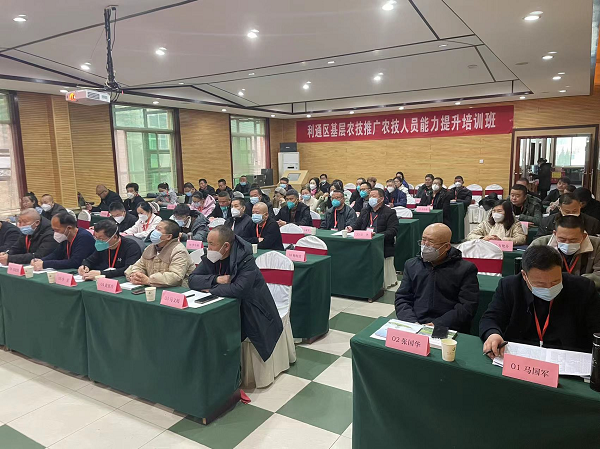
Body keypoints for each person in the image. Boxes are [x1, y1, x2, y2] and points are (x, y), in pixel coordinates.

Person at [480, 245, 600, 356]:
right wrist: (493, 334)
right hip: (522, 352)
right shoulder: (510, 286)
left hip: (567, 353)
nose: (549, 288)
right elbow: (491, 318)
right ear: (524, 276)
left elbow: (596, 328)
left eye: (555, 282)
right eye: (540, 284)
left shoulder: (583, 288)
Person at [188, 226, 284, 361]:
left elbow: (239, 289)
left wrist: (210, 289)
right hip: (222, 305)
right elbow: (192, 280)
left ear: (226, 246)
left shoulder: (245, 258)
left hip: (252, 308)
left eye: (211, 244)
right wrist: (216, 279)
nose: (208, 248)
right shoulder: (212, 256)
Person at [395, 223, 479, 333]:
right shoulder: (411, 265)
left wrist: (437, 324)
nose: (425, 245)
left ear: (446, 247)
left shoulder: (465, 269)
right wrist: (412, 322)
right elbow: (402, 297)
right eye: (423, 240)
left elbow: (467, 306)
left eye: (431, 242)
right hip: (415, 324)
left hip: (448, 326)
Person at [531, 215, 600, 288]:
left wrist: (572, 282)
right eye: (562, 239)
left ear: (584, 236)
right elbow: (530, 272)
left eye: (573, 240)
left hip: (585, 289)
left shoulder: (597, 245)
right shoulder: (539, 244)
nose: (567, 243)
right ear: (555, 233)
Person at [349, 188, 399, 287]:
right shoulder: (365, 210)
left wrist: (378, 236)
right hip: (364, 241)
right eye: (370, 196)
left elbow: (393, 230)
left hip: (382, 243)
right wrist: (351, 228)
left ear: (381, 199)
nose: (371, 198)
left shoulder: (390, 212)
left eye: (374, 196)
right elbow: (358, 224)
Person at [125, 219, 195, 287]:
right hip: (153, 287)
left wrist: (149, 280)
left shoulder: (179, 251)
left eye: (158, 229)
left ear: (168, 236)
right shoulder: (150, 248)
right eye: (155, 228)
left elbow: (176, 277)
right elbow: (138, 266)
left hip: (176, 290)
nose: (154, 232)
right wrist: (136, 275)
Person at [30, 212, 95, 271]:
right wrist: (40, 260)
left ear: (69, 228)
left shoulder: (84, 237)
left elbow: (75, 262)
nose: (55, 233)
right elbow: (56, 254)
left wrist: (44, 264)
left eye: (57, 230)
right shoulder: (66, 237)